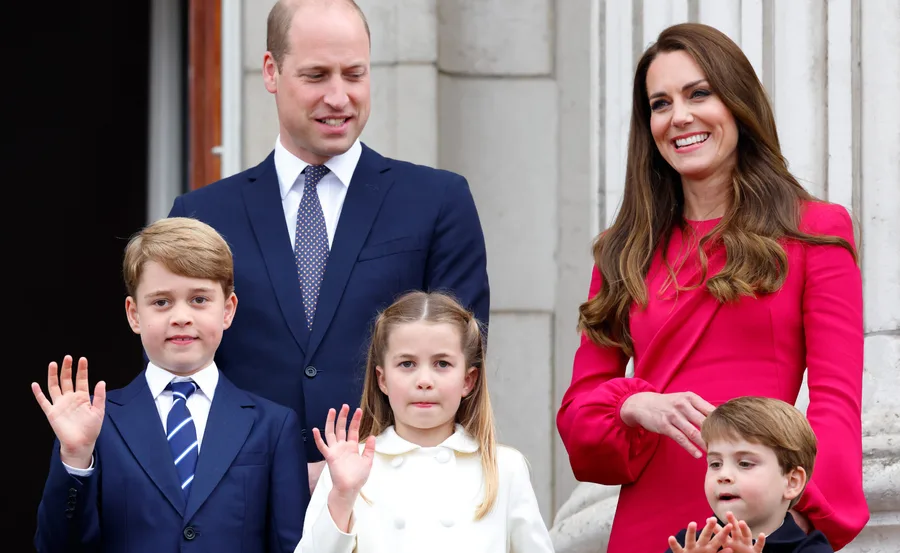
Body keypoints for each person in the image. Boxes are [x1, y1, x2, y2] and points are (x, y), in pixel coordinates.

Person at [556, 22, 867, 553]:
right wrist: (636, 404)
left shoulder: (814, 228)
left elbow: (837, 403)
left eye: (699, 93)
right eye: (660, 103)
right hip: (648, 528)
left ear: (737, 103)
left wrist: (797, 526)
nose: (679, 117)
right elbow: (581, 416)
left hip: (758, 529)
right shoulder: (622, 249)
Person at [167, 0, 489, 493]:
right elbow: (179, 377)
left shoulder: (438, 202)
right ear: (272, 71)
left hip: (394, 508)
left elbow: (460, 367)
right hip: (241, 508)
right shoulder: (202, 215)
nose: (339, 97)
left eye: (354, 74)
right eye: (317, 75)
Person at [32, 217, 309, 553]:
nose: (181, 317)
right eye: (161, 302)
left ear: (228, 309)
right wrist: (75, 458)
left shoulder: (273, 426)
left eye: (199, 299)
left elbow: (292, 545)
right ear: (134, 314)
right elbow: (58, 547)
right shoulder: (96, 421)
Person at [294, 291, 553, 552]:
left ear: (468, 380)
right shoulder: (350, 467)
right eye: (407, 364)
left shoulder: (503, 468)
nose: (424, 380)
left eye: (442, 363)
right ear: (382, 380)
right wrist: (342, 496)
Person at [667, 396, 833, 553]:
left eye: (745, 464)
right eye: (715, 464)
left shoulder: (812, 549)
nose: (723, 475)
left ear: (792, 482)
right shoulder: (689, 545)